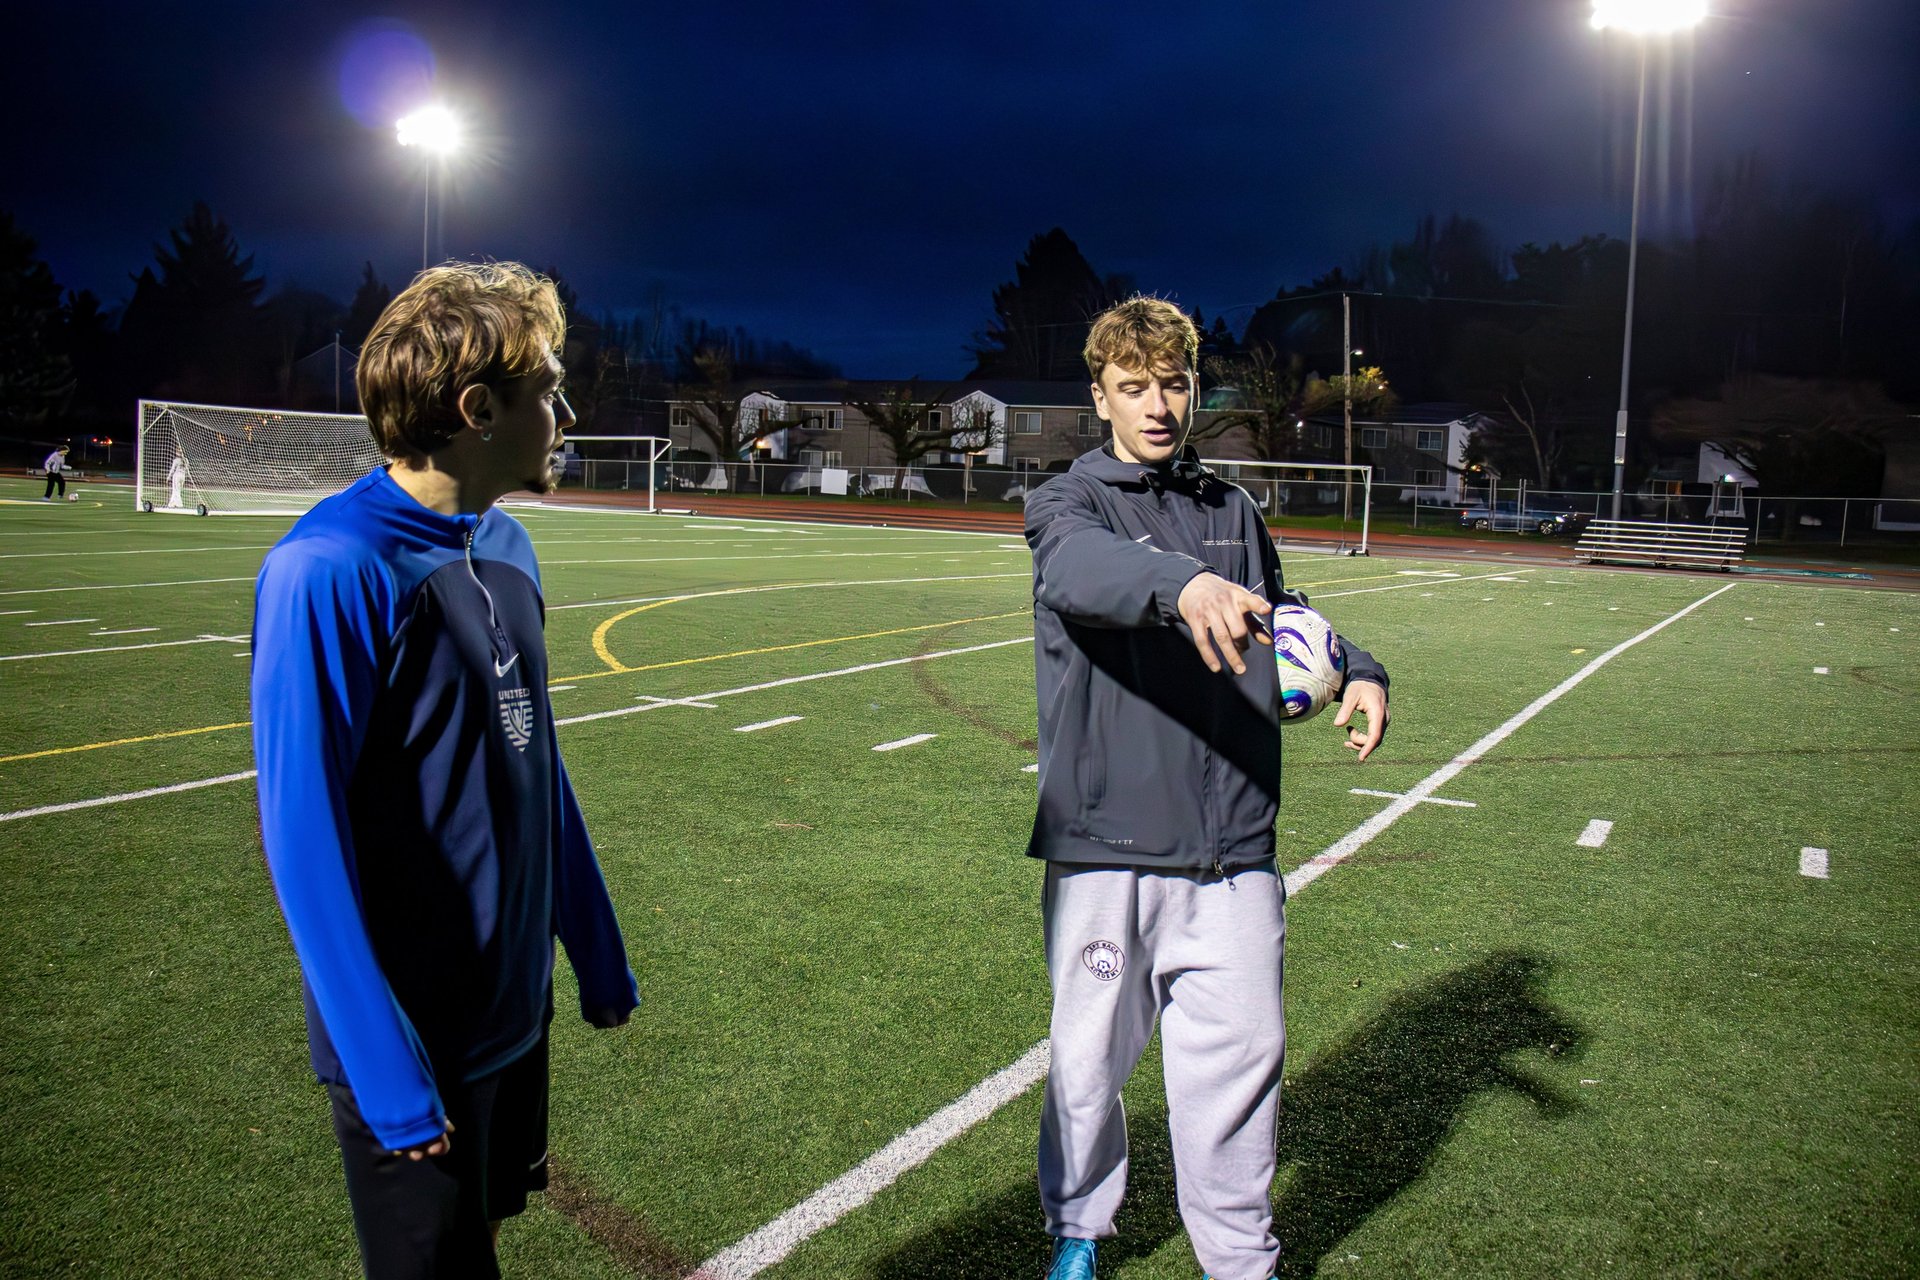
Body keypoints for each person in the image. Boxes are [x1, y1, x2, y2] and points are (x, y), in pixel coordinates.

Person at [251, 261, 638, 1280]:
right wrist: (383, 1067)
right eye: (548, 390)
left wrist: (594, 944)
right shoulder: (328, 568)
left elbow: (534, 756)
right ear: (477, 409)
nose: (565, 414)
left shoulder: (509, 544)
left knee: (486, 1243)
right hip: (412, 1036)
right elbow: (302, 836)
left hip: (513, 1005)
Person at [1025, 297, 1390, 1280]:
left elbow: (1287, 616)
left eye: (1174, 384)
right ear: (1100, 396)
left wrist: (1358, 668)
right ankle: (1079, 1229)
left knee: (1239, 1069)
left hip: (1233, 845)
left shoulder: (1234, 512)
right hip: (1105, 843)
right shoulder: (1066, 504)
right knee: (1089, 1064)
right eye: (1133, 386)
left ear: (1194, 389)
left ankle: (1239, 1260)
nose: (1157, 405)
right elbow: (1080, 572)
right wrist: (1182, 587)